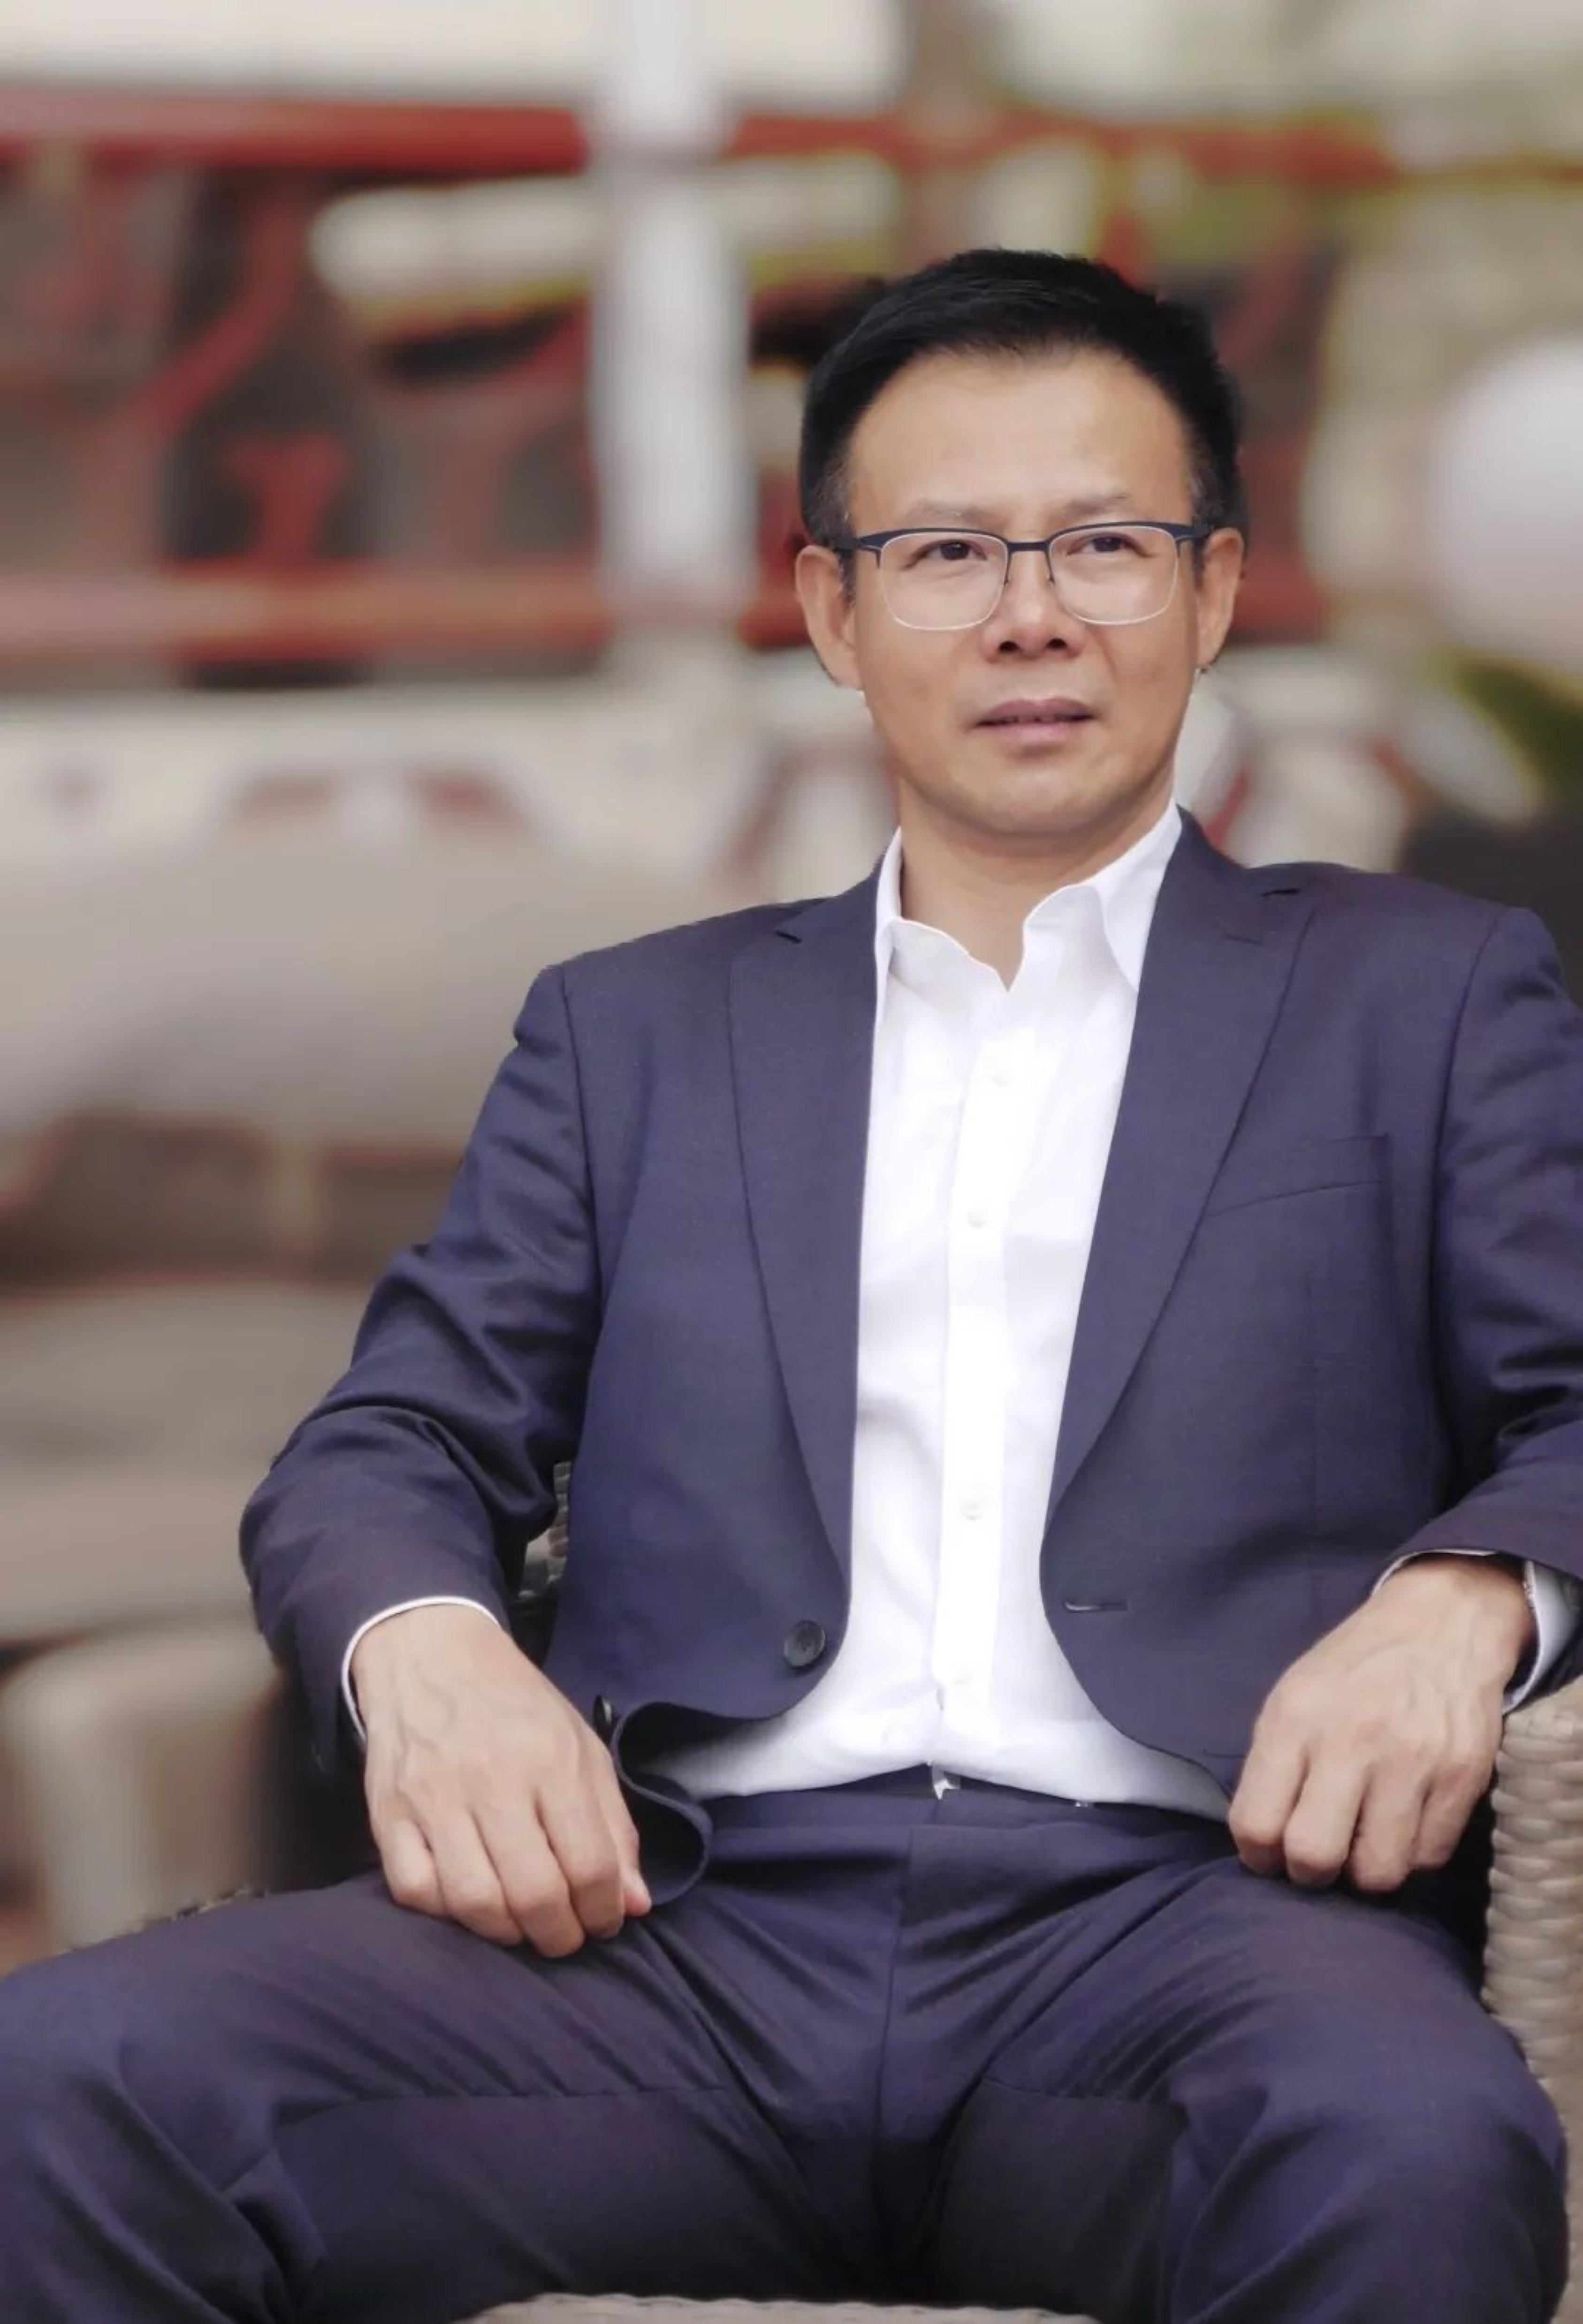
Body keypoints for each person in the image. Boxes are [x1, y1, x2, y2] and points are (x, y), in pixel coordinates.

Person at [1, 247, 1580, 2324]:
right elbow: (391, 1437)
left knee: (1416, 2143)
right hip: (665, 1938)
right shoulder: (637, 1032)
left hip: (1194, 1935)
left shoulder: (1425, 995)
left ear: (1210, 591)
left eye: (1103, 543)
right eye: (946, 551)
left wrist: (1467, 1598)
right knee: (64, 2080)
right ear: (835, 611)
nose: (1029, 612)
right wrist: (431, 1649)